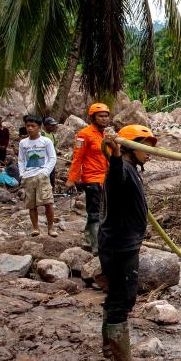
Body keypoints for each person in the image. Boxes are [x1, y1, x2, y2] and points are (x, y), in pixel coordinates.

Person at [98, 125, 159, 361]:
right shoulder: (120, 168)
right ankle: (123, 359)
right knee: (123, 298)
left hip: (119, 242)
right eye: (145, 146)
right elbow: (114, 179)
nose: (150, 152)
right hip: (120, 245)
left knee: (116, 295)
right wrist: (114, 154)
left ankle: (108, 347)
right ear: (131, 147)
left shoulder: (130, 168)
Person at [67, 103, 111, 253]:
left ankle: (89, 239)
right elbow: (77, 158)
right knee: (95, 212)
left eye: (106, 116)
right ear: (93, 118)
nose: (104, 119)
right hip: (92, 179)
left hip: (105, 178)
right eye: (101, 116)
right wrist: (71, 178)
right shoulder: (84, 134)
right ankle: (96, 246)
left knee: (104, 211)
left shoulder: (106, 135)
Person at [19, 115, 58, 236]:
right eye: (28, 126)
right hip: (28, 176)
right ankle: (35, 228)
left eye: (33, 126)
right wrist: (22, 174)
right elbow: (21, 159)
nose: (30, 128)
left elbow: (52, 158)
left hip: (42, 176)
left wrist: (45, 172)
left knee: (48, 202)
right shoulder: (23, 143)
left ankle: (51, 228)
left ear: (39, 127)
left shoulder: (46, 141)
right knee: (31, 205)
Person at [41, 117, 60, 188]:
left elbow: (54, 146)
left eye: (54, 125)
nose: (53, 127)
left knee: (52, 175)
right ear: (46, 125)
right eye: (51, 125)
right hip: (44, 159)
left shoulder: (52, 135)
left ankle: (52, 189)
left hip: (52, 159)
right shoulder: (42, 134)